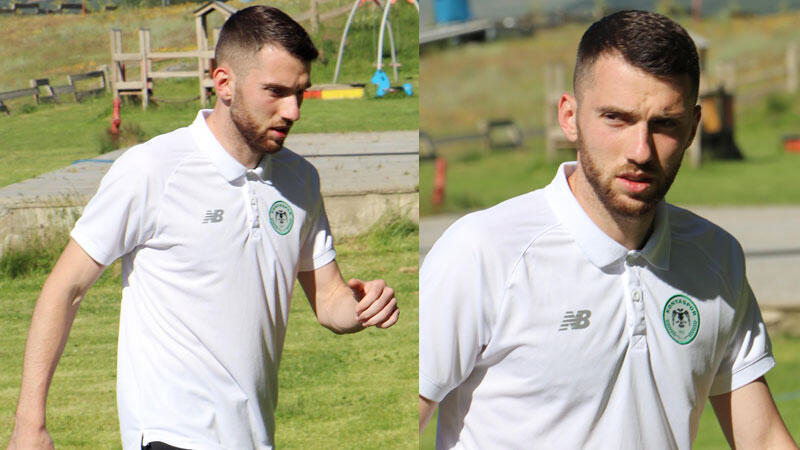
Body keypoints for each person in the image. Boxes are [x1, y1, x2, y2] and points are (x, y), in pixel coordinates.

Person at [8, 6, 398, 450]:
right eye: (275, 91)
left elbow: (328, 300)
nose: (292, 110)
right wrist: (29, 423)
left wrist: (361, 308)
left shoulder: (300, 180)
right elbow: (66, 288)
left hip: (254, 436)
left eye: (300, 93)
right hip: (170, 434)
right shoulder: (153, 169)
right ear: (224, 83)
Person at [419, 10, 796, 449]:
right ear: (569, 117)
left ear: (693, 128)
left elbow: (763, 439)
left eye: (664, 124)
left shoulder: (716, 258)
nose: (641, 150)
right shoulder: (483, 251)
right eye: (617, 118)